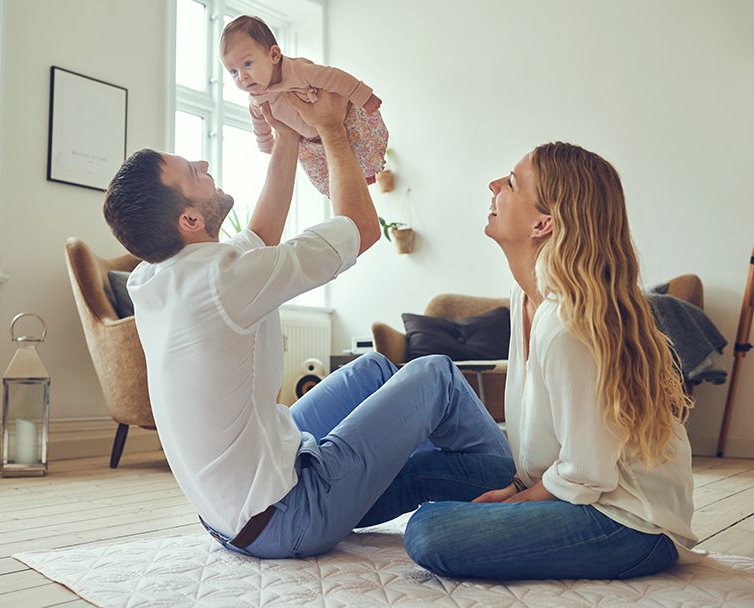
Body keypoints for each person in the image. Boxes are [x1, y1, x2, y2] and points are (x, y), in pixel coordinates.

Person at [102, 90, 510, 559]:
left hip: (233, 514)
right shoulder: (222, 280)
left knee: (375, 369)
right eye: (192, 172)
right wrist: (331, 127)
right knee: (434, 373)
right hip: (285, 515)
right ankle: (513, 483)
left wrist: (289, 135)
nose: (202, 162)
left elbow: (258, 238)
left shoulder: (153, 276)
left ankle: (433, 472)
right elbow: (363, 226)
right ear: (190, 218)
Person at [364, 142, 700, 580]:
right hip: (576, 486)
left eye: (510, 183)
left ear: (544, 222)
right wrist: (518, 487)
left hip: (629, 523)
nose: (493, 186)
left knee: (430, 530)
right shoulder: (525, 296)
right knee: (425, 469)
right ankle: (305, 512)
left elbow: (587, 475)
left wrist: (514, 504)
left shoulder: (565, 322)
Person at [219, 15, 388, 197]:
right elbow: (259, 125)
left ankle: (368, 171)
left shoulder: (299, 71)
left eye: (248, 64)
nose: (242, 77)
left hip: (341, 119)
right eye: (233, 71)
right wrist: (266, 145)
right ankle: (354, 180)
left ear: (274, 55)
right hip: (308, 142)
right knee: (319, 172)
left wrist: (363, 95)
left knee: (359, 142)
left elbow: (334, 77)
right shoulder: (256, 99)